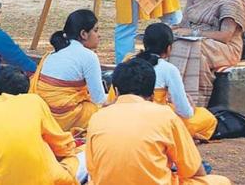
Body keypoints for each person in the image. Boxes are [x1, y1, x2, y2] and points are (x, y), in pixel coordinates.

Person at [86, 58, 230, 185]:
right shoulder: (165, 115)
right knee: (221, 182)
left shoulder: (97, 117)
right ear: (152, 94)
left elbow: (92, 170)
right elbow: (193, 170)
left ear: (116, 91)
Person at [0, 66, 84, 185]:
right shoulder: (34, 102)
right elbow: (60, 143)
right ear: (28, 89)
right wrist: (71, 153)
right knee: (80, 158)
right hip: (45, 180)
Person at [170, 0, 245, 106]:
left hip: (224, 47)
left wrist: (194, 34)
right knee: (169, 43)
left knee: (189, 47)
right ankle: (173, 98)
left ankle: (193, 102)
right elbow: (184, 24)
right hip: (195, 40)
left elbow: (225, 36)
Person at [135, 23, 218, 140]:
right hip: (155, 121)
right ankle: (182, 136)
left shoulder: (128, 62)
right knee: (207, 118)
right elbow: (185, 112)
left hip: (127, 117)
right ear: (169, 48)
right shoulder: (168, 69)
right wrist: (192, 107)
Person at [29, 9, 106, 133]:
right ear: (84, 34)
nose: (99, 35)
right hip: (62, 117)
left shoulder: (54, 52)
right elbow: (99, 100)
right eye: (96, 30)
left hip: (42, 114)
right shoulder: (88, 56)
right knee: (103, 114)